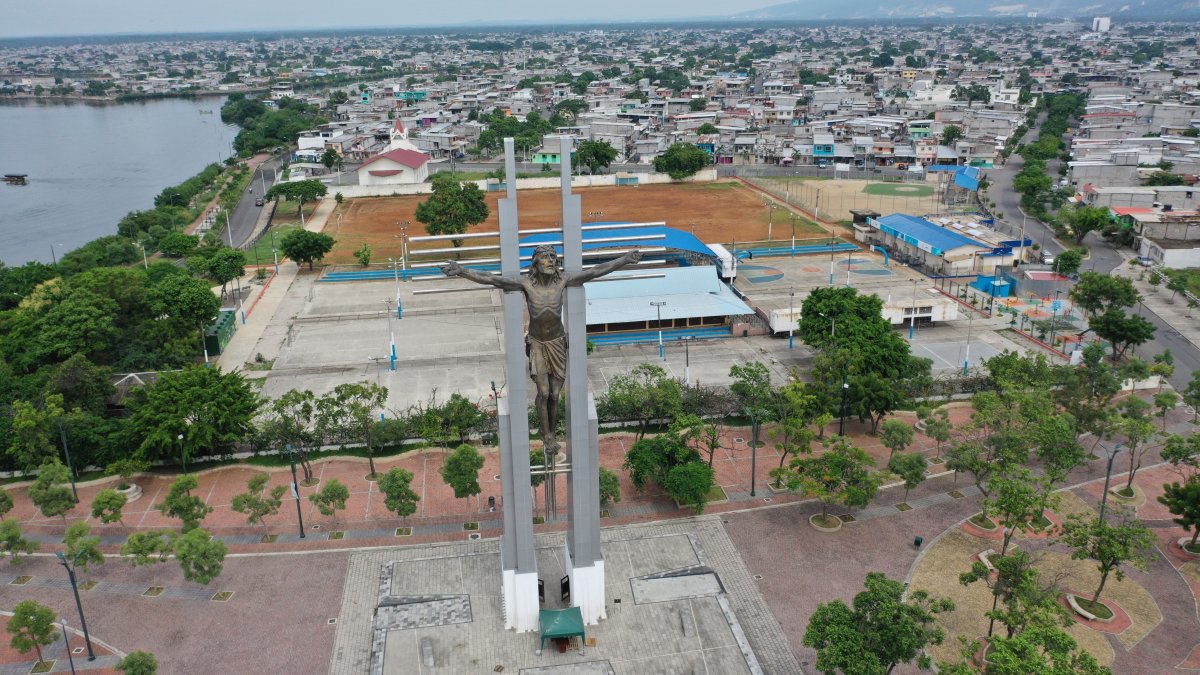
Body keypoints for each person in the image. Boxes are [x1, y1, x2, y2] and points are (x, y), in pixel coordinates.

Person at [442, 245, 642, 450]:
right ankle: (547, 436)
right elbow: (492, 279)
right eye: (545, 257)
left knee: (555, 395)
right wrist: (462, 271)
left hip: (557, 343)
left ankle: (551, 432)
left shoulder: (562, 281)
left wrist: (624, 259)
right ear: (535, 263)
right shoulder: (526, 284)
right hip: (537, 343)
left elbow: (594, 272)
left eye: (553, 257)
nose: (551, 261)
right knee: (544, 393)